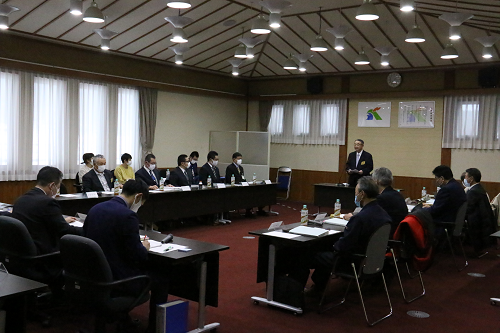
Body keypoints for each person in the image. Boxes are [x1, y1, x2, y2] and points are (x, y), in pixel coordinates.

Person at [83, 179, 168, 333]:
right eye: (142, 202)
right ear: (138, 196)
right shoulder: (128, 216)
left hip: (92, 275)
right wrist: (144, 247)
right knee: (161, 278)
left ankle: (122, 317)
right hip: (117, 279)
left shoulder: (96, 208)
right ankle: (155, 329)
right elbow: (139, 256)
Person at [291, 177, 391, 292]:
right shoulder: (383, 214)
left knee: (306, 255)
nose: (355, 196)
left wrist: (330, 245)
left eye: (356, 193)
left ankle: (299, 293)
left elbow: (343, 247)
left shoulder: (359, 218)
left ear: (362, 194)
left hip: (352, 261)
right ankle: (317, 288)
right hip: (371, 260)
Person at [12, 166, 82, 254]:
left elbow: (37, 220)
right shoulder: (48, 202)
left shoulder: (21, 199)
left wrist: (62, 221)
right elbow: (65, 230)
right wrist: (86, 229)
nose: (58, 190)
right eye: (58, 186)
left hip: (25, 249)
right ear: (52, 185)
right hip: (45, 251)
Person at [463, 168, 496, 255]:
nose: (465, 179)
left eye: (466, 177)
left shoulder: (473, 191)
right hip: (482, 219)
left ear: (471, 178)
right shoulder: (479, 188)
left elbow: (467, 208)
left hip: (475, 221)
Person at [372, 167, 408, 237]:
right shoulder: (397, 194)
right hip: (399, 233)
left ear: (376, 181)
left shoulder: (382, 198)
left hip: (388, 234)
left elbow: (373, 218)